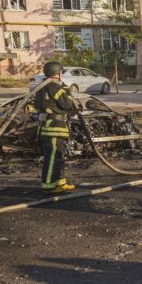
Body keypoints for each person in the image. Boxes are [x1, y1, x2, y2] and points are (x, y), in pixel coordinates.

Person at [35, 60, 79, 193]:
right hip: (54, 128)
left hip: (49, 127)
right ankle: (49, 185)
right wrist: (67, 91)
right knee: (52, 159)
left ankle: (60, 182)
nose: (62, 75)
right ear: (57, 73)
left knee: (58, 157)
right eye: (61, 73)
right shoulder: (54, 87)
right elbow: (67, 104)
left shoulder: (42, 87)